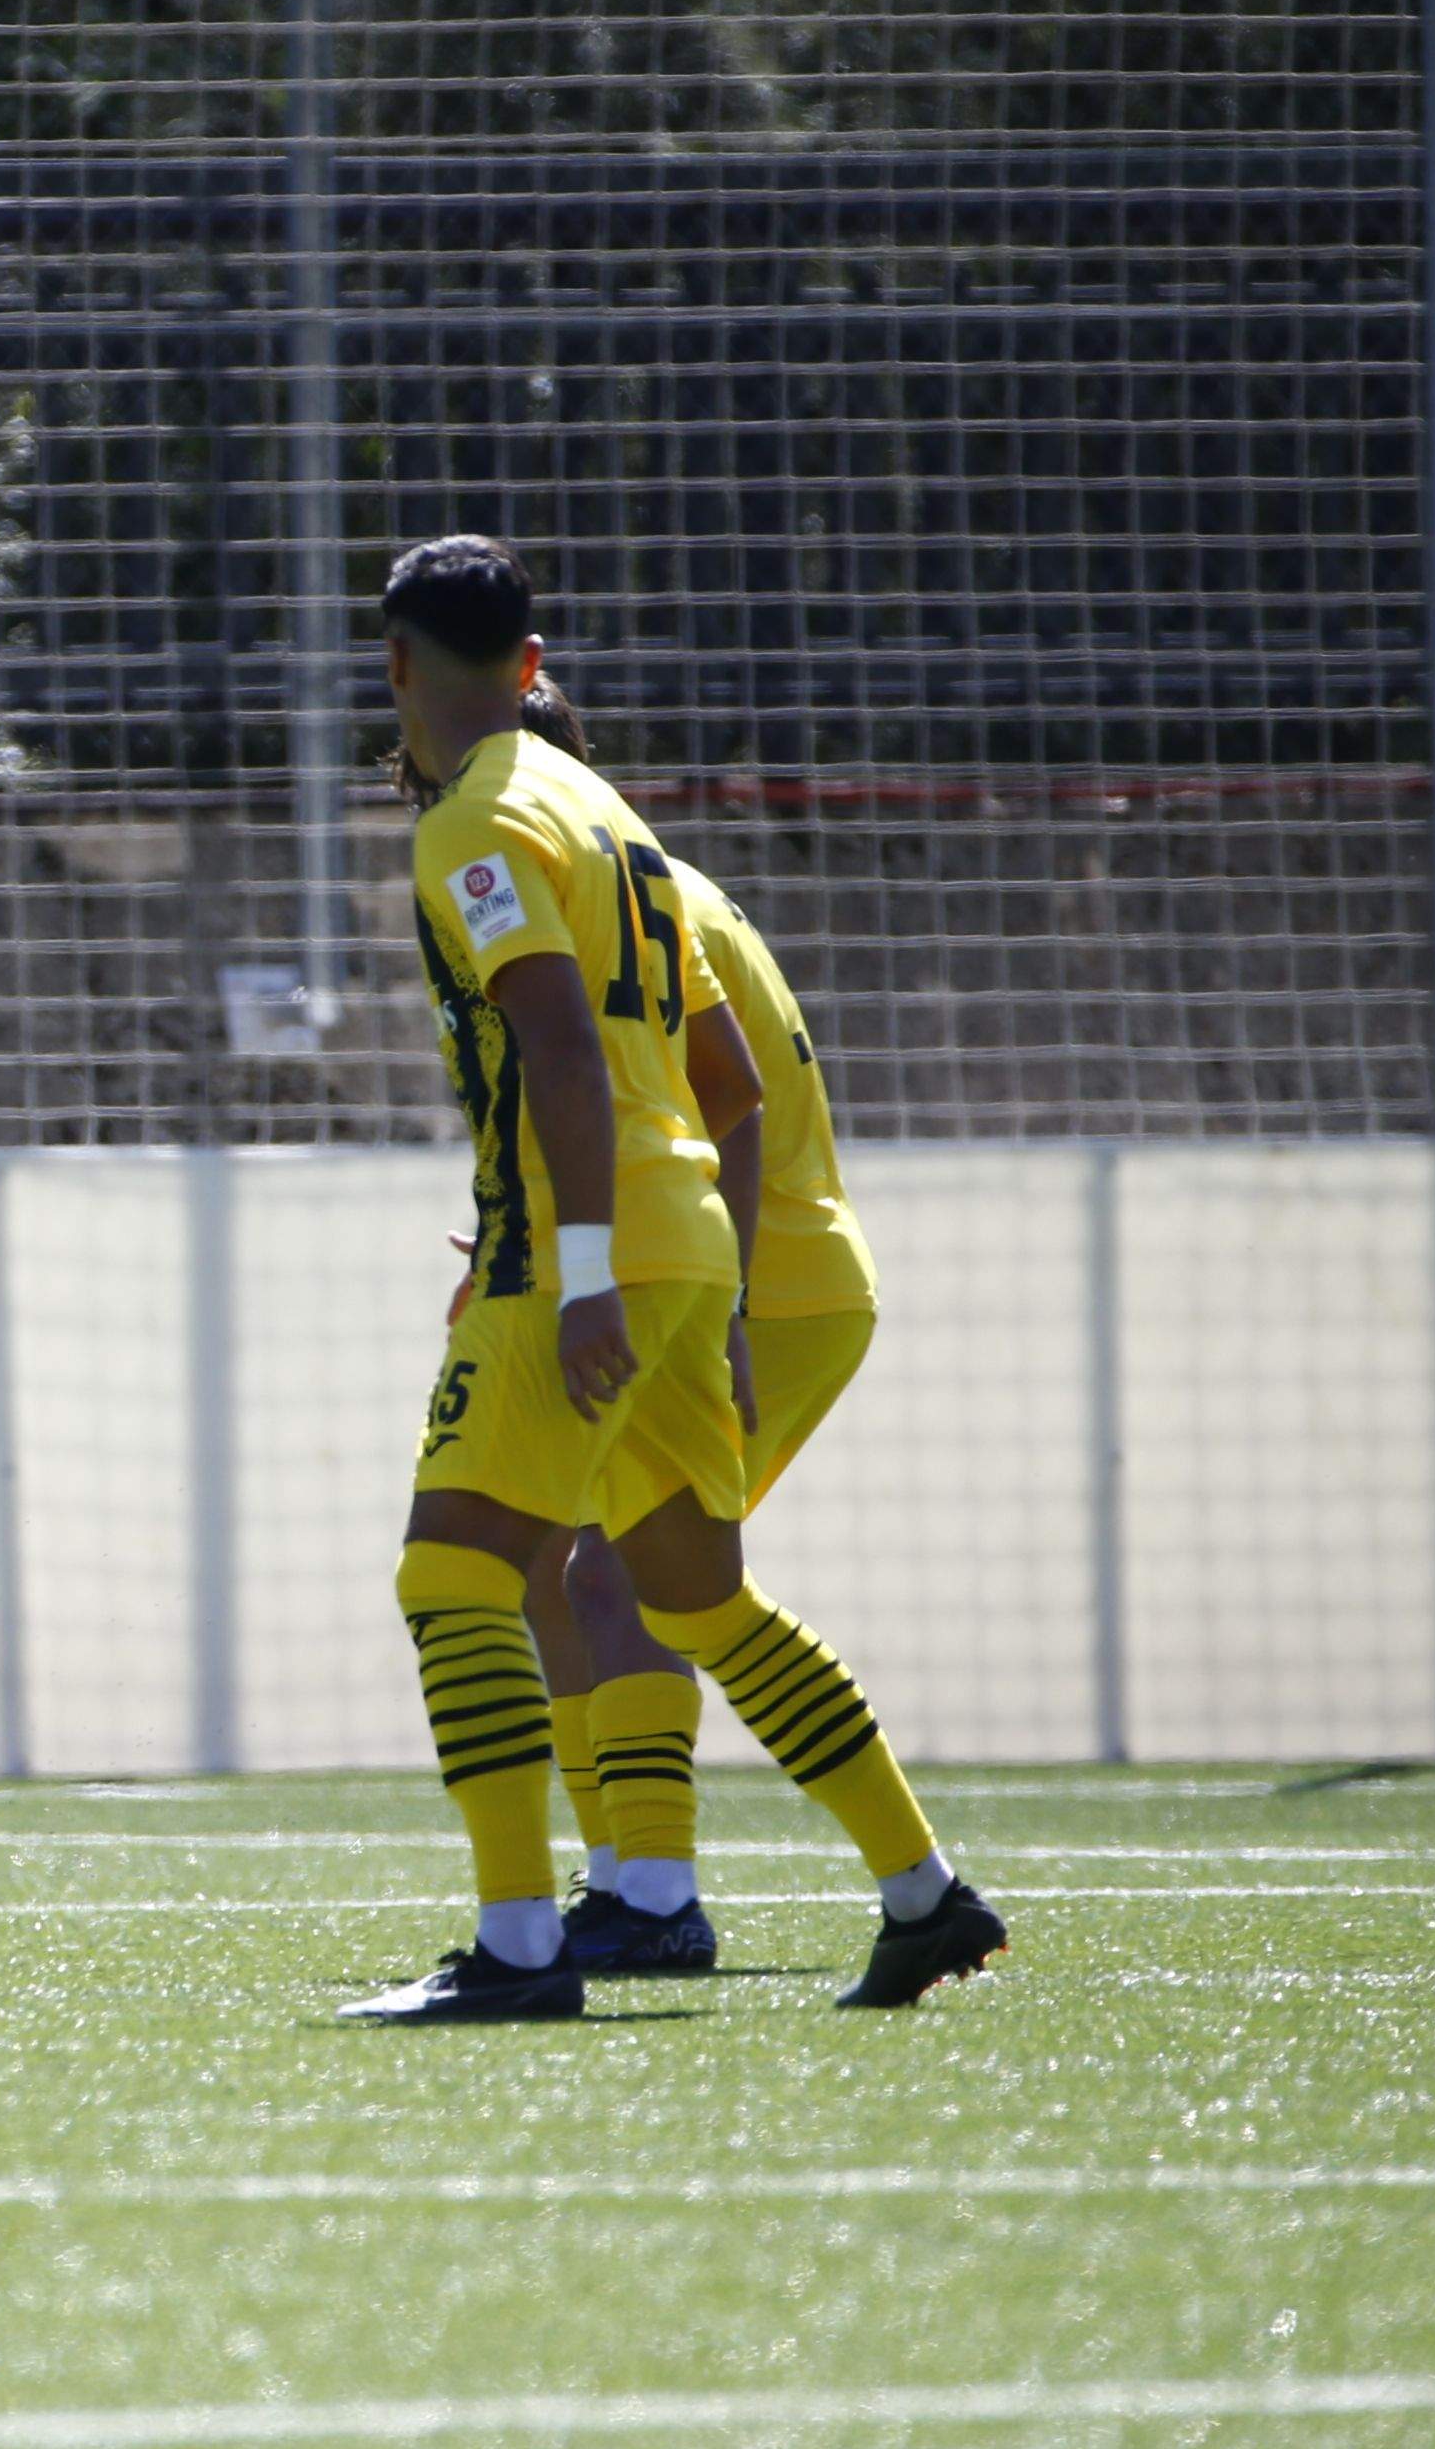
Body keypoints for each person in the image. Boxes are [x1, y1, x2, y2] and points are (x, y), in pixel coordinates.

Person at [340, 539, 1001, 2023]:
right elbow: (722, 1073)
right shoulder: (610, 816)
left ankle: (517, 1951)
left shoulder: (474, 825)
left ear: (394, 668)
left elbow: (565, 1048)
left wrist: (577, 1275)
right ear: (531, 660)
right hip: (695, 1242)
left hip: (595, 1249)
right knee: (698, 1599)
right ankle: (924, 1893)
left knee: (451, 1573)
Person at [522, 825, 887, 1976]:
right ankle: (622, 1883)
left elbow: (720, 1104)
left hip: (752, 1284)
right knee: (565, 1563)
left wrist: (720, 1300)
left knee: (623, 1573)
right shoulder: (653, 887)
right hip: (728, 1273)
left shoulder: (612, 903)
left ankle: (657, 1897)